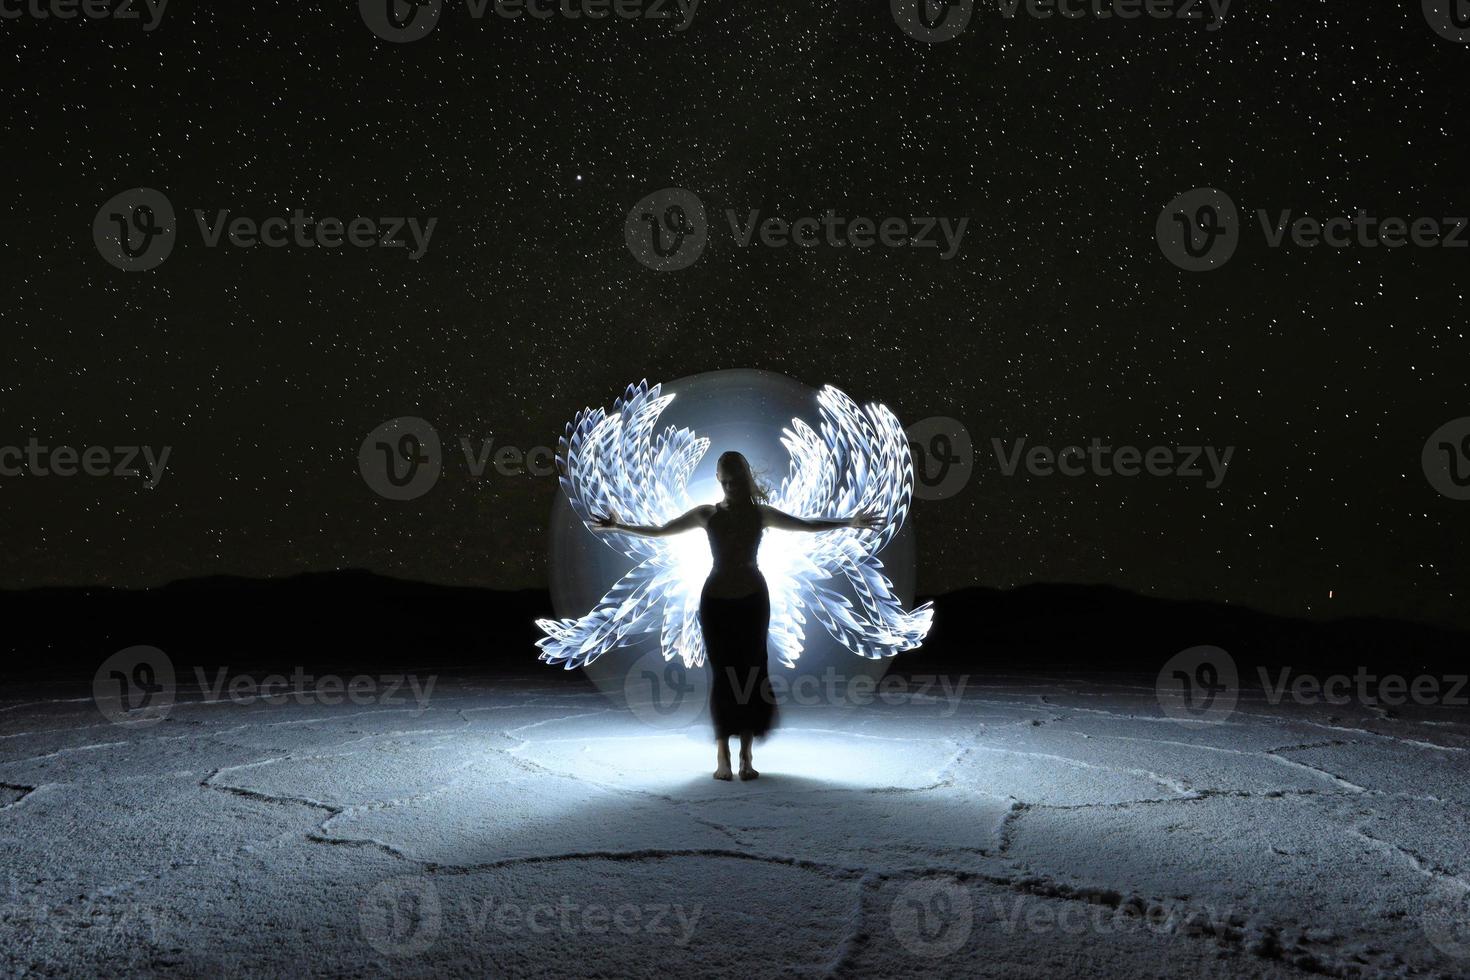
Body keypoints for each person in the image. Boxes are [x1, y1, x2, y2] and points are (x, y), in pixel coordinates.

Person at [593, 451, 879, 780]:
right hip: (716, 602)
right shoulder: (707, 514)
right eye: (724, 481)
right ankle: (722, 757)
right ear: (718, 479)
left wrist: (850, 522)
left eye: (734, 481)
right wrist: (618, 526)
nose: (729, 486)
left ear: (744, 479)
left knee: (752, 673)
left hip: (753, 601)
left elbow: (807, 526)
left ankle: (746, 757)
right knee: (723, 674)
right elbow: (661, 531)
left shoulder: (760, 515)